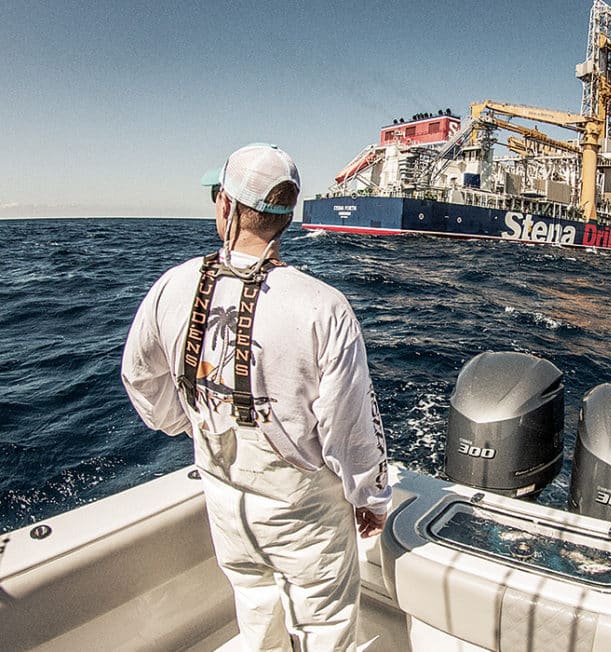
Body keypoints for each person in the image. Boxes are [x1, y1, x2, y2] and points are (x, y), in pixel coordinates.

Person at [122, 143, 391, 651]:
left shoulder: (171, 287)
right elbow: (351, 427)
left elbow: (141, 380)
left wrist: (191, 423)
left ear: (226, 206)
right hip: (303, 517)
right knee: (325, 630)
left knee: (255, 613)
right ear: (288, 216)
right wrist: (371, 498)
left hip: (225, 503)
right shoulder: (324, 307)